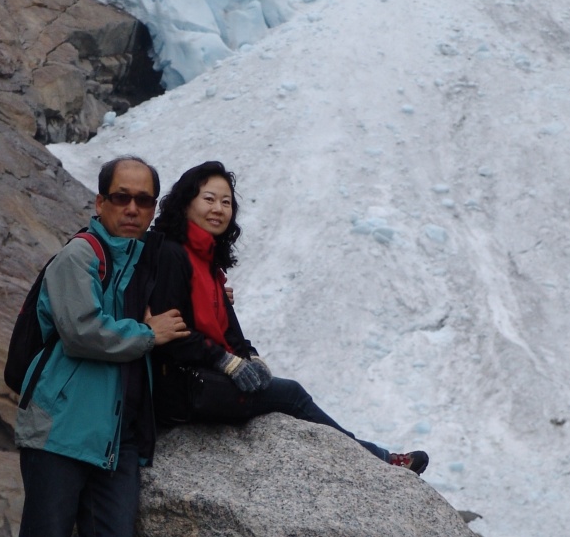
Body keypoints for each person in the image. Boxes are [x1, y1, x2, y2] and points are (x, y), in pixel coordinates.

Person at [0, 155, 189, 537]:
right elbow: (82, 333)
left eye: (143, 200)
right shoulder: (78, 257)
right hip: (62, 427)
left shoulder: (145, 260)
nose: (131, 208)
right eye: (120, 197)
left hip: (115, 434)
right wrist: (148, 332)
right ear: (99, 203)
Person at [148, 160, 428, 474]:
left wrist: (249, 356)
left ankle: (373, 456)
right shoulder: (174, 254)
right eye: (209, 199)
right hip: (184, 390)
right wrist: (225, 361)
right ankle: (378, 460)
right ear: (186, 204)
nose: (218, 209)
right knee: (291, 395)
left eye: (226, 202)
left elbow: (230, 330)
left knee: (282, 391)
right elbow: (171, 331)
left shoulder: (206, 260)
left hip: (200, 381)